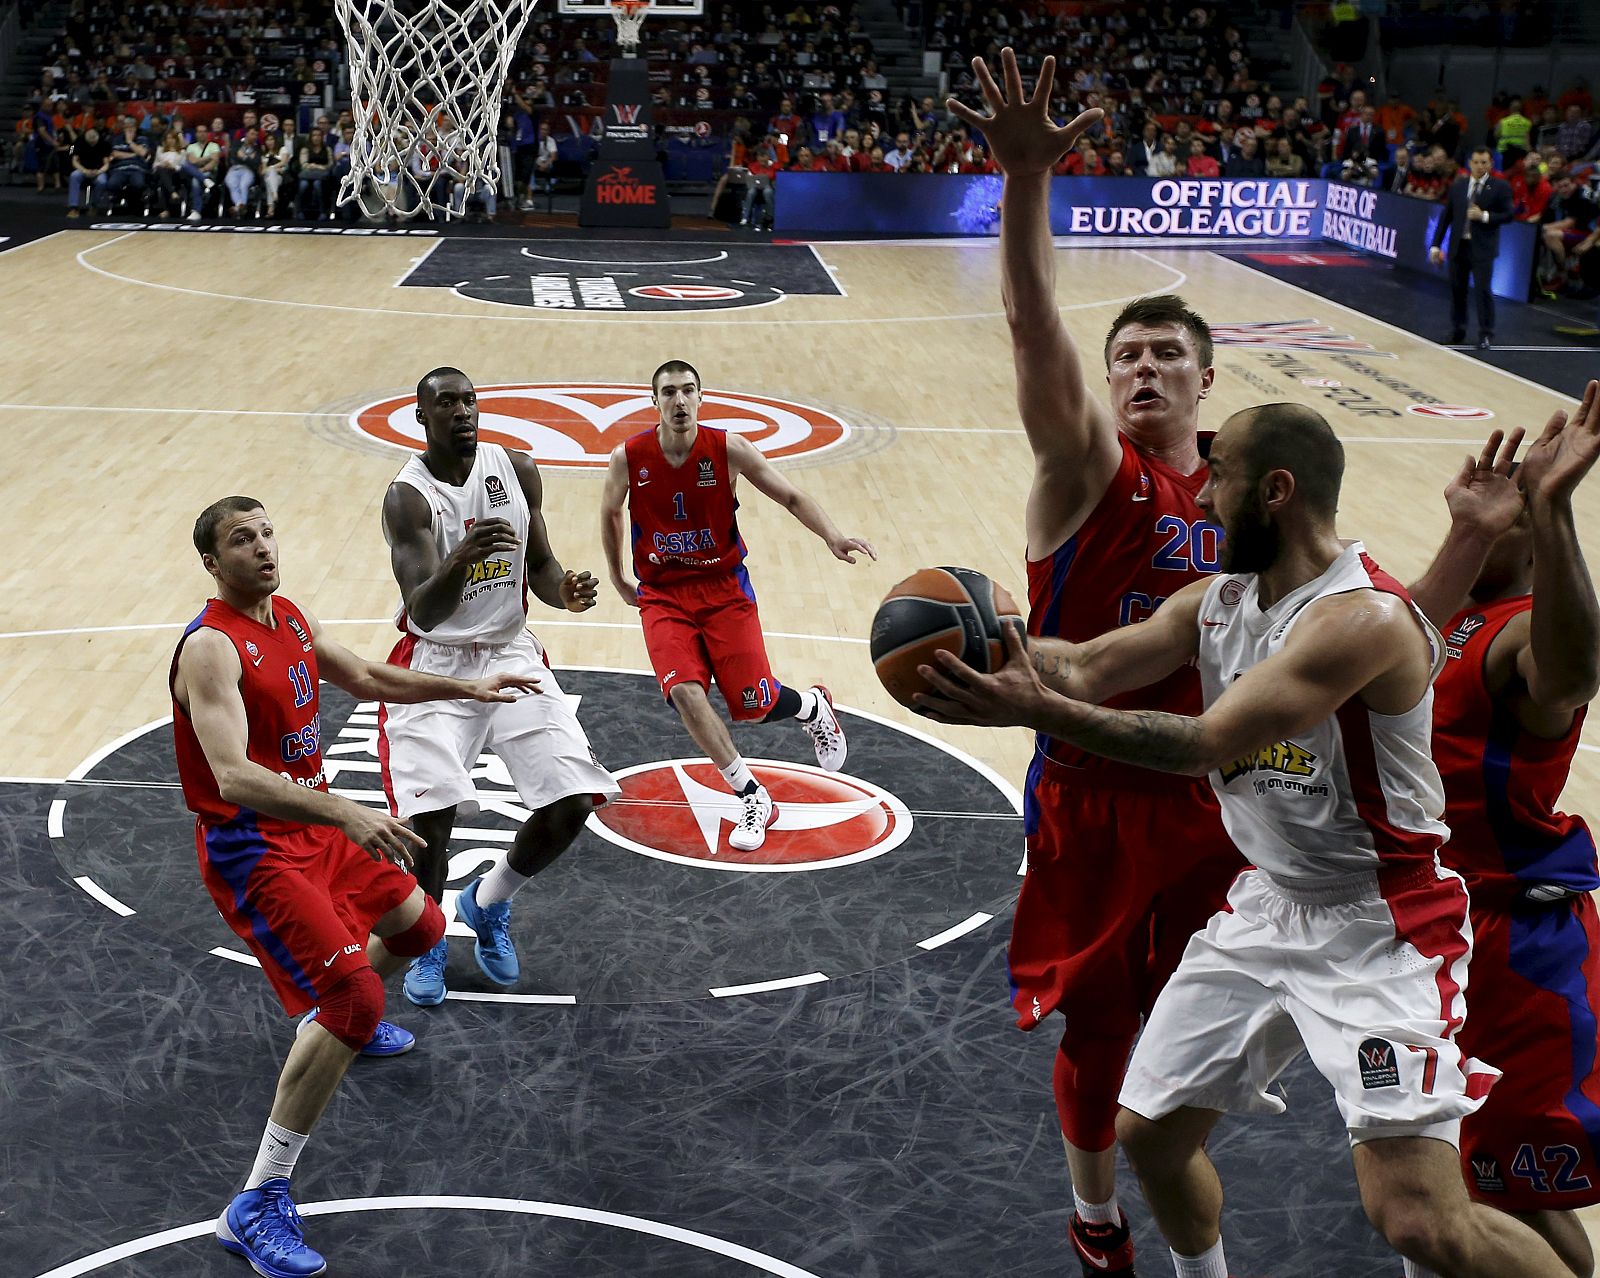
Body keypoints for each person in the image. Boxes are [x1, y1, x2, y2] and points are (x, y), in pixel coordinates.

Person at [914, 401, 1575, 1278]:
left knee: (1418, 1218)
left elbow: (1201, 744)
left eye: (1219, 481)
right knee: (1148, 1138)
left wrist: (1040, 711)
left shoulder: (1363, 618)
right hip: (1267, 902)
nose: (1203, 500)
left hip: (1381, 924)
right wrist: (998, 651)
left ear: (1275, 491)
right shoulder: (1216, 600)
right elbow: (1092, 663)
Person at [945, 48, 1241, 1278]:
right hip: (1093, 799)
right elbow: (1030, 326)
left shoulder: (1244, 488)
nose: (1143, 367)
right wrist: (1025, 185)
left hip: (1220, 786)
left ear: (1205, 377)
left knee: (1228, 1020)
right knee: (1103, 1039)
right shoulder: (1088, 466)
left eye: (1167, 352)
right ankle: (1098, 1215)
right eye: (1130, 354)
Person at [172, 496, 536, 1276]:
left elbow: (369, 676)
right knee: (351, 998)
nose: (263, 548)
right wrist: (346, 811)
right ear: (212, 562)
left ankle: (343, 1026)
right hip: (254, 848)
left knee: (422, 928)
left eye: (268, 531)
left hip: (312, 828)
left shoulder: (290, 620)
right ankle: (255, 1203)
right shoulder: (211, 649)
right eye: (242, 540)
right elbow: (233, 776)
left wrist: (462, 690)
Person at [1408, 382, 1600, 1278]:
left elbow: (1572, 673)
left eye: (1508, 507)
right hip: (1427, 928)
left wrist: (1556, 509)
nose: (1487, 508)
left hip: (1513, 943)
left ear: (1536, 539)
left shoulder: (1524, 636)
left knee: (1493, 1193)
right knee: (1443, 1180)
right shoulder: (1440, 610)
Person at [379, 367, 619, 1007]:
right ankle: (429, 938)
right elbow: (424, 611)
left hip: (511, 651)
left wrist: (562, 592)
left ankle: (488, 902)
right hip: (436, 661)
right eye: (447, 404)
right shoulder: (408, 498)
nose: (462, 412)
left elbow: (539, 564)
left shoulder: (516, 469)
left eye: (469, 401)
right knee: (429, 820)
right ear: (422, 416)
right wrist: (462, 555)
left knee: (574, 799)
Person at [599, 360, 874, 851]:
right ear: (654, 400)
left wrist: (833, 536)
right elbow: (610, 511)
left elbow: (789, 495)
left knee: (752, 704)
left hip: (724, 588)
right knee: (685, 693)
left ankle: (811, 706)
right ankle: (751, 794)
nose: (679, 401)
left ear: (701, 398)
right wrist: (619, 575)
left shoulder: (727, 449)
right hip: (663, 594)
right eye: (669, 393)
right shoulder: (629, 456)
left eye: (688, 391)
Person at [1430, 147, 1514, 350]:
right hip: (1459, 247)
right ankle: (1457, 330)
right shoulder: (1459, 186)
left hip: (1483, 250)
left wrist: (1484, 216)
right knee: (1457, 290)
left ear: (1491, 164)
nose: (1480, 166)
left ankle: (1486, 334)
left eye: (1484, 162)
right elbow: (1446, 217)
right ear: (1470, 163)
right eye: (1476, 162)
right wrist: (1435, 245)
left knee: (1483, 291)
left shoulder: (1500, 187)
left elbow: (1508, 215)